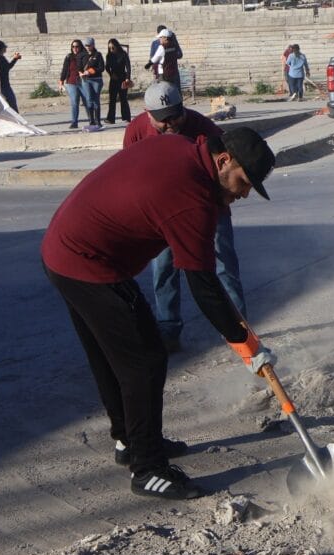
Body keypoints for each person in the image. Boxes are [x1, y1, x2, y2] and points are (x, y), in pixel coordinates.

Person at [41, 126, 277, 500]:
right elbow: (203, 286)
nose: (244, 193)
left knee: (112, 354)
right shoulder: (192, 198)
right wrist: (245, 344)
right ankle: (147, 468)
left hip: (65, 248)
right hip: (88, 262)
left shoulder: (181, 146)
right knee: (145, 359)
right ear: (223, 160)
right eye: (244, 182)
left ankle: (128, 441)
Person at [124, 82, 248, 353]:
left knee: (222, 265)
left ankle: (239, 329)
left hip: (208, 208)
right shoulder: (136, 131)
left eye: (175, 115)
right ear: (148, 114)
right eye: (163, 120)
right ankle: (169, 329)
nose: (171, 124)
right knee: (163, 269)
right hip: (162, 212)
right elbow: (129, 172)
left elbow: (230, 170)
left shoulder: (204, 129)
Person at [78, 37, 105, 130]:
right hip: (86, 80)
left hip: (96, 79)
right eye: (86, 45)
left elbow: (102, 68)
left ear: (93, 45)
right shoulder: (82, 55)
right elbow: (79, 67)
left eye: (89, 45)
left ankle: (98, 121)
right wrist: (80, 73)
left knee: (96, 99)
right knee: (89, 99)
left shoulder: (98, 55)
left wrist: (91, 71)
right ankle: (91, 120)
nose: (87, 47)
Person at [58, 39, 84, 129]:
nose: (75, 48)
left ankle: (93, 121)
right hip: (71, 82)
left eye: (77, 46)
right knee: (74, 102)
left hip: (83, 82)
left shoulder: (84, 56)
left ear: (80, 47)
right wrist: (61, 81)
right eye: (73, 46)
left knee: (89, 102)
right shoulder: (69, 57)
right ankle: (74, 122)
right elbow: (65, 69)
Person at [104, 38, 132, 124]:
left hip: (123, 78)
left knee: (123, 98)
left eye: (113, 48)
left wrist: (127, 78)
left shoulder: (123, 54)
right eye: (110, 48)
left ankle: (126, 117)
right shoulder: (109, 56)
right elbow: (107, 67)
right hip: (114, 79)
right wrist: (111, 74)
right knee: (112, 99)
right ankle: (111, 118)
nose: (111, 50)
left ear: (117, 46)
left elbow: (128, 67)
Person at [0, 40, 20, 112]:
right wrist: (15, 59)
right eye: (5, 47)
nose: (6, 49)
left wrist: (15, 59)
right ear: (2, 49)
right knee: (12, 103)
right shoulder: (1, 58)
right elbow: (8, 67)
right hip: (4, 85)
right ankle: (16, 119)